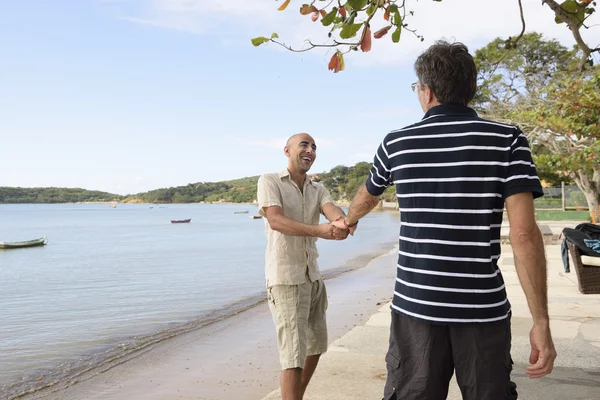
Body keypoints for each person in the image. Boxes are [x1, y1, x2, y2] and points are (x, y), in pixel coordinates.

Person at [332, 40, 557, 400]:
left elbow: (368, 194)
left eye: (417, 88)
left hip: (416, 308)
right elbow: (524, 235)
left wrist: (348, 221)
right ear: (469, 90)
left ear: (428, 91)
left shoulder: (397, 142)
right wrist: (541, 322)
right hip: (482, 309)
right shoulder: (508, 139)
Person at [257, 133, 349, 400]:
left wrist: (342, 222)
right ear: (287, 151)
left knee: (316, 344)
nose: (310, 150)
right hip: (286, 277)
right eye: (304, 145)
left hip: (312, 276)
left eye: (314, 147)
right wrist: (320, 230)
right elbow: (276, 221)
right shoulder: (269, 181)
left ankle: (296, 395)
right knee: (293, 356)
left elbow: (331, 210)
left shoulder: (317, 188)